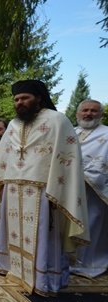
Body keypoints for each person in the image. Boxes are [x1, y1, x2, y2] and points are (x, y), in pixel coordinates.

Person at [0, 79, 89, 295]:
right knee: (14, 233)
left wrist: (58, 192)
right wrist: (3, 184)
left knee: (44, 234)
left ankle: (44, 280)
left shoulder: (57, 120)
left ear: (38, 98)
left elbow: (67, 158)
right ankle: (17, 272)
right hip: (14, 190)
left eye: (25, 98)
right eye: (16, 99)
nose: (20, 102)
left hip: (43, 191)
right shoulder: (14, 125)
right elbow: (4, 157)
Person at [70, 99, 108, 278]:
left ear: (100, 114)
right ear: (78, 114)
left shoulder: (107, 134)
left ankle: (91, 264)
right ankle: (68, 260)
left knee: (92, 224)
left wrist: (86, 175)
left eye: (93, 111)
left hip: (94, 190)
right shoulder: (71, 132)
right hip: (70, 188)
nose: (88, 114)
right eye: (85, 110)